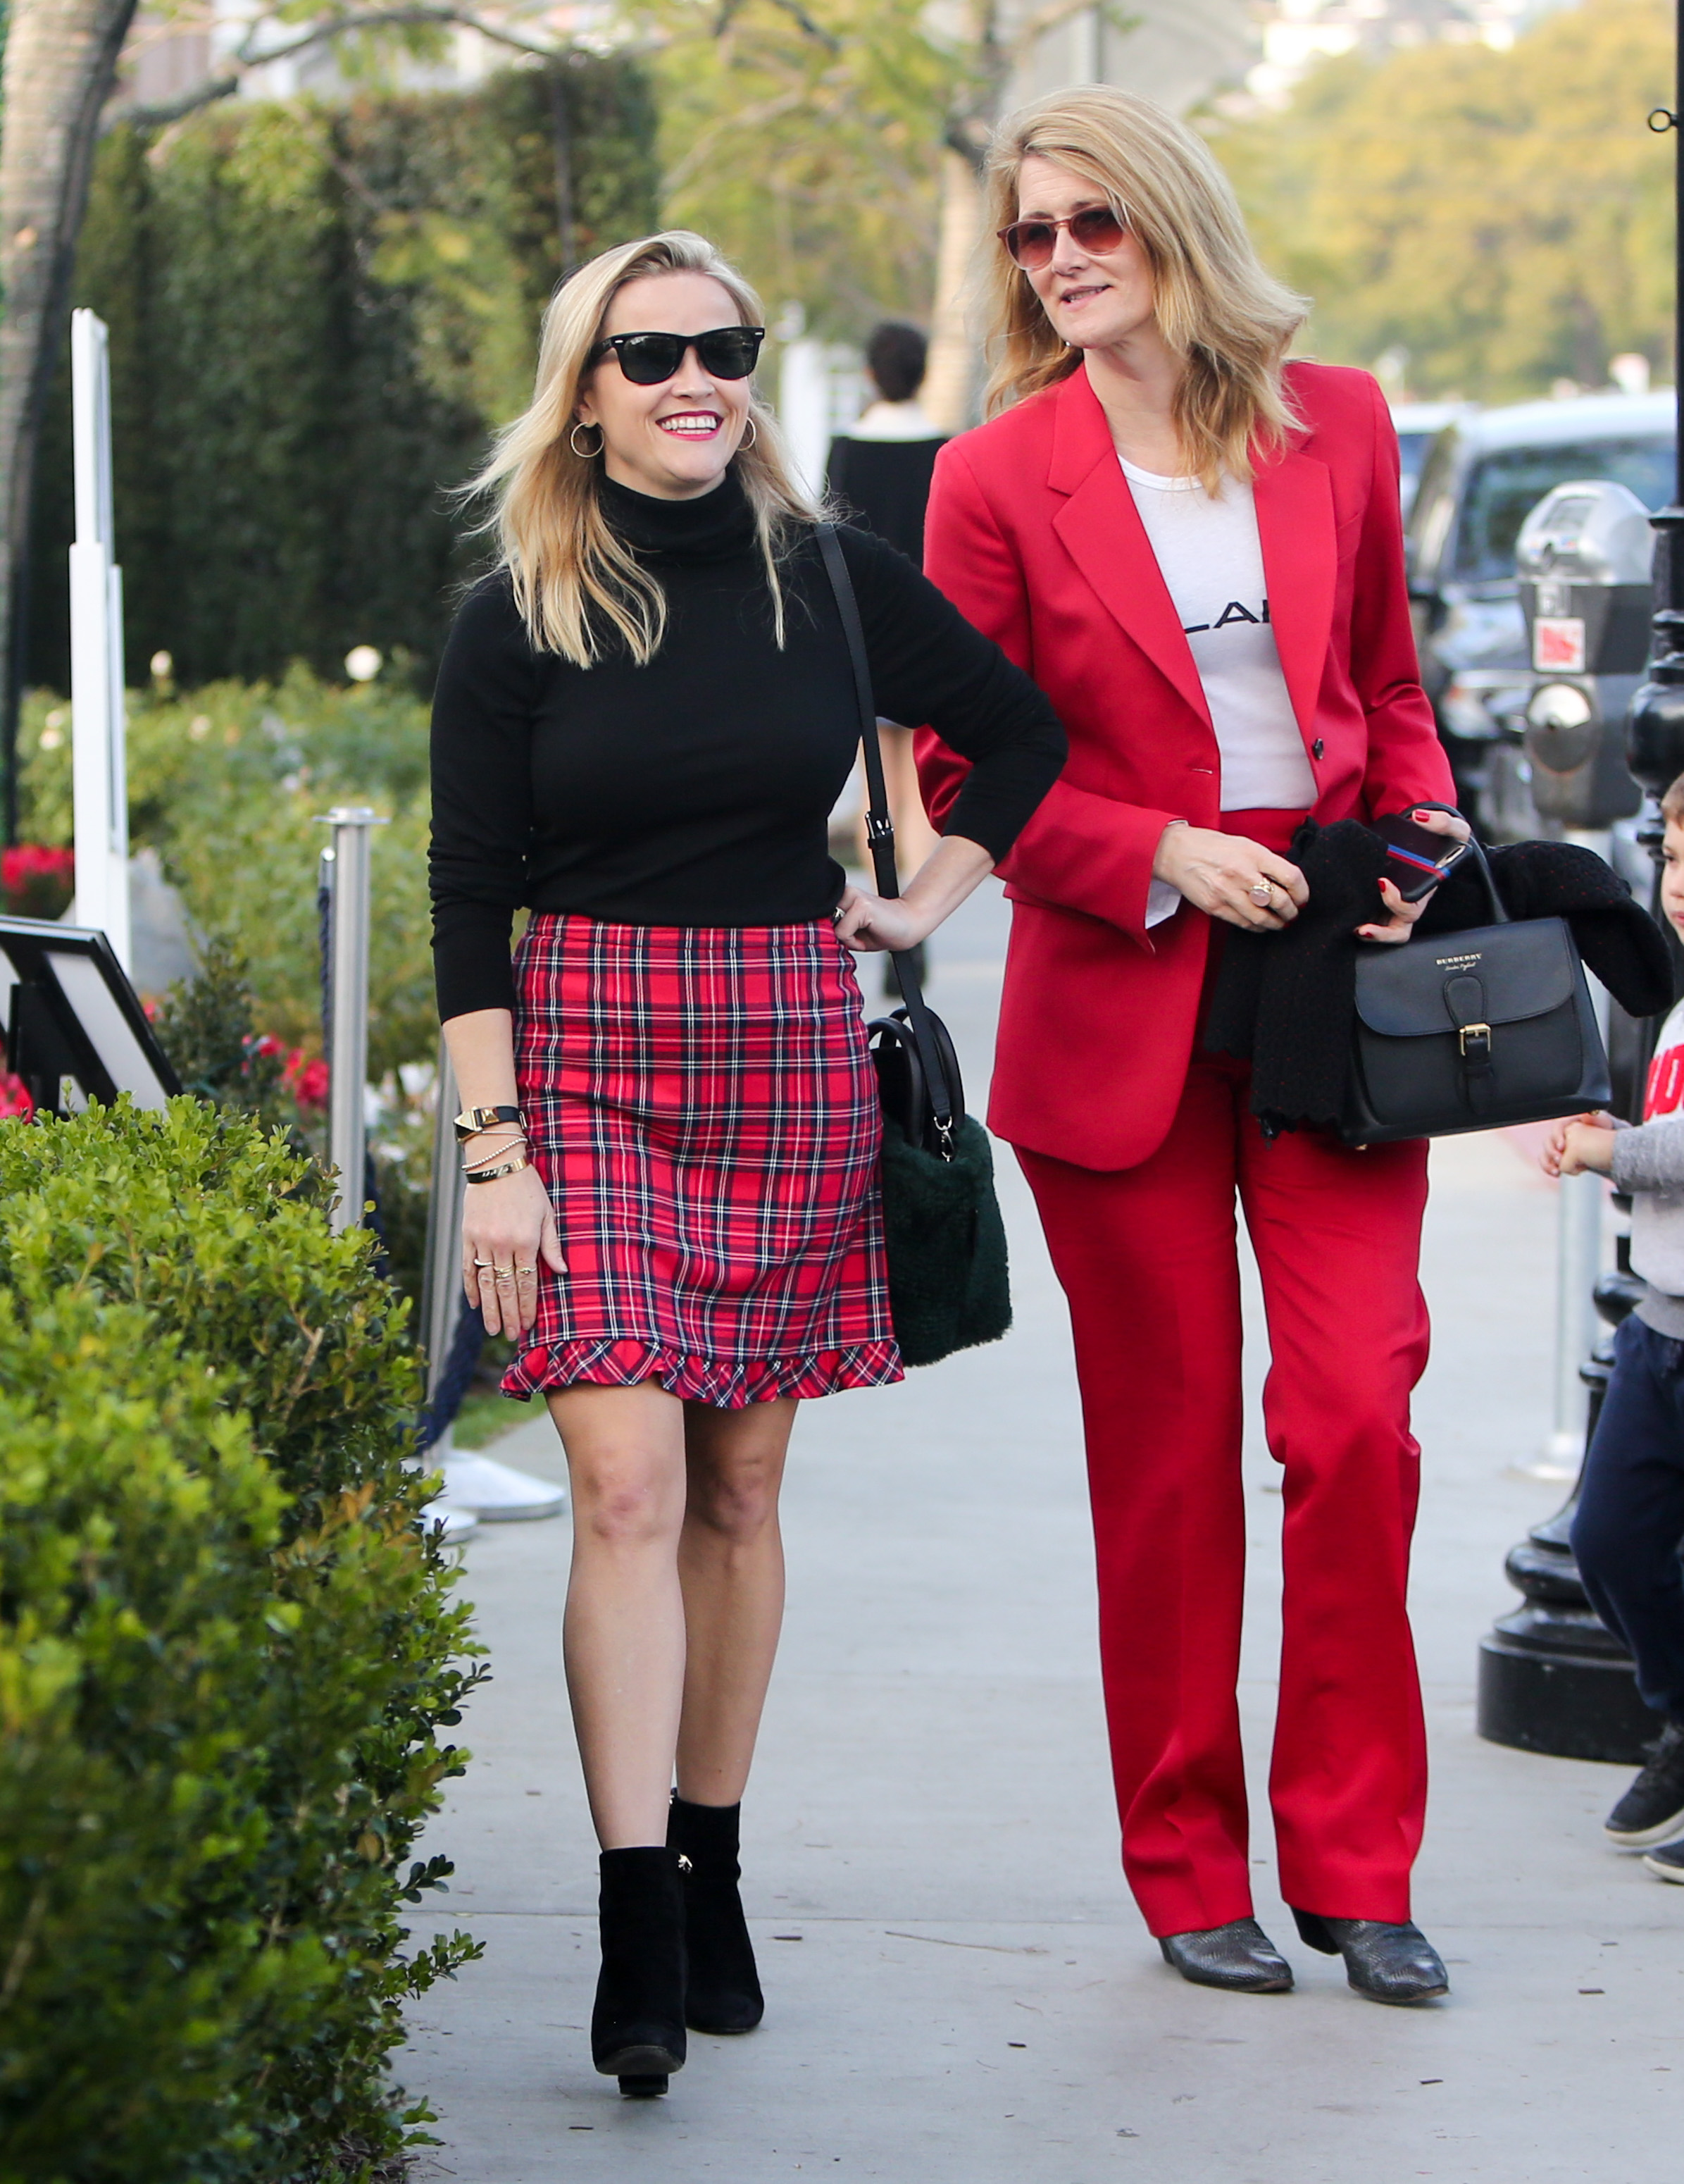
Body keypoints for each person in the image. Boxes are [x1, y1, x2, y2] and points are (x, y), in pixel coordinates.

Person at [428, 229, 1064, 2099]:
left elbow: (1020, 732)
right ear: (586, 390)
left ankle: (711, 1861)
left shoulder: (832, 578)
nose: (690, 376)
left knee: (738, 1484)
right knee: (621, 1484)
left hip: (785, 1044)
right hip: (588, 1066)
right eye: (647, 354)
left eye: (721, 346)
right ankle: (633, 1913)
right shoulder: (517, 608)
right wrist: (492, 1159)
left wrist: (916, 899)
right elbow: (471, 907)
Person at [917, 85, 1464, 2006]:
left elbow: (1387, 687)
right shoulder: (992, 477)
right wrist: (1150, 848)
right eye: (1028, 232)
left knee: (1351, 1420)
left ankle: (1355, 1859)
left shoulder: (1342, 427)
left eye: (1091, 222)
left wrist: (1409, 851)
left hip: (1330, 992)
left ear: (1167, 224)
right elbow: (955, 762)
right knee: (1158, 1468)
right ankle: (1184, 1864)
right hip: (1119, 1005)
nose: (1058, 257)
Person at [1545, 771, 1684, 1882]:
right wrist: (1624, 1138)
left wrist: (1610, 1151)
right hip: (1659, 1328)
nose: (1677, 888)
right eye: (1672, 862)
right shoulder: (1678, 1002)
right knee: (1607, 1543)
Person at [827, 323, 949, 918]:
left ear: (872, 374)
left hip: (861, 630)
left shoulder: (847, 447)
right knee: (917, 783)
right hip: (925, 631)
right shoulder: (943, 449)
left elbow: (827, 541)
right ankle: (916, 915)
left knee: (878, 777)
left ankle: (883, 898)